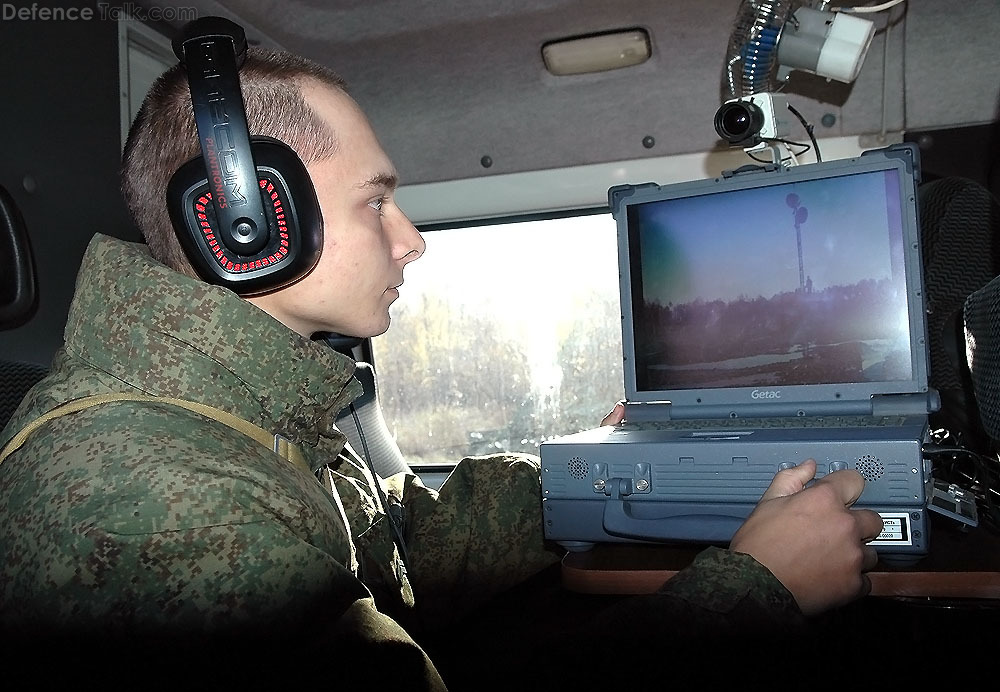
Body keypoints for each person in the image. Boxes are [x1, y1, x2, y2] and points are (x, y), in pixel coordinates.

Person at [0, 21, 882, 688]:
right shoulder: (153, 504)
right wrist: (756, 593)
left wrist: (600, 466)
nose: (412, 240)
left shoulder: (250, 417)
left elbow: (411, 545)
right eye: (376, 202)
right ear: (249, 225)